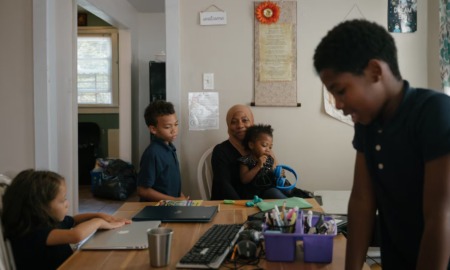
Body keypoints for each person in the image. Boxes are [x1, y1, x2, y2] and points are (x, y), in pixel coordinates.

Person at [313, 19, 450, 270]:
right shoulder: (367, 124)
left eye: (340, 90)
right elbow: (363, 200)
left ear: (375, 71)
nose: (338, 104)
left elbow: (440, 216)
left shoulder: (434, 111)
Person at [1, 169, 130, 270]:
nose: (67, 203)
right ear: (39, 205)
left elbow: (74, 220)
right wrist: (99, 222)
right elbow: (76, 235)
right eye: (62, 200)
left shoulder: (49, 221)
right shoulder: (33, 233)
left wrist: (99, 215)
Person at [137, 100, 187, 202]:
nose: (174, 130)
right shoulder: (153, 153)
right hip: (156, 209)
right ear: (153, 129)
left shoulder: (170, 148)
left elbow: (168, 183)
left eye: (176, 124)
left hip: (170, 206)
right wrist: (174, 200)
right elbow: (142, 190)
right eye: (168, 127)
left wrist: (180, 197)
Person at [211, 104, 254, 200]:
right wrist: (242, 206)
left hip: (256, 203)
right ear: (228, 125)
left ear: (252, 122)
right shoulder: (220, 151)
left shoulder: (259, 147)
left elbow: (273, 178)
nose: (240, 125)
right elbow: (224, 186)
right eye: (234, 122)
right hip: (229, 205)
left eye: (245, 120)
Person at [238, 124, 287, 199]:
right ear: (251, 145)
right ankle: (289, 205)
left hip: (273, 187)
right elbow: (244, 180)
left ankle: (301, 200)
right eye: (264, 145)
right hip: (257, 194)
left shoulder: (270, 159)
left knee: (288, 187)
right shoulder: (246, 160)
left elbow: (275, 170)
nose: (268, 149)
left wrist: (279, 173)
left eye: (270, 147)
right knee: (274, 192)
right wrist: (258, 166)